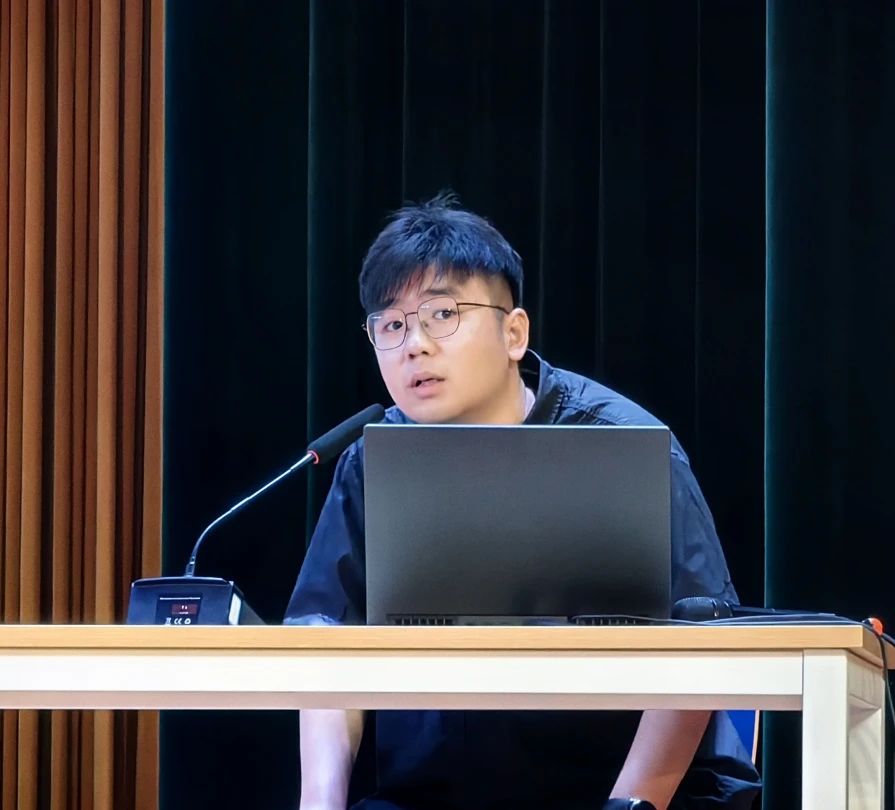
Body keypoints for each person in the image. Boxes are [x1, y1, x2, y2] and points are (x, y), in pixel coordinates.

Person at [285, 195, 761, 810]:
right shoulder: (371, 460)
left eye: (442, 314)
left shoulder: (623, 444)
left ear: (514, 333)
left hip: (625, 792)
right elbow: (325, 646)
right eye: (392, 325)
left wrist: (632, 804)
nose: (414, 345)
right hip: (439, 794)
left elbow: (703, 641)